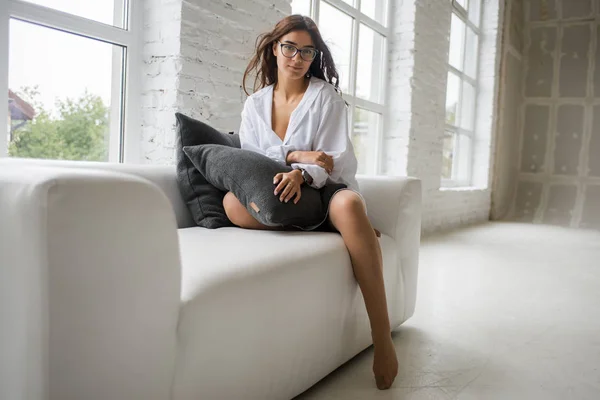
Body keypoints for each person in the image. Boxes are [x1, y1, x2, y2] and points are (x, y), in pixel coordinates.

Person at [222, 14, 398, 390]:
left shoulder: (325, 98)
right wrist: (298, 157)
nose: (296, 57)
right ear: (275, 48)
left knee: (349, 207)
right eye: (289, 47)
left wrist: (304, 171)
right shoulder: (255, 105)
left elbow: (331, 160)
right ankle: (347, 232)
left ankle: (382, 341)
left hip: (327, 188)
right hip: (280, 188)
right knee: (231, 205)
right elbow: (256, 157)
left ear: (314, 56)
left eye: (306, 51)